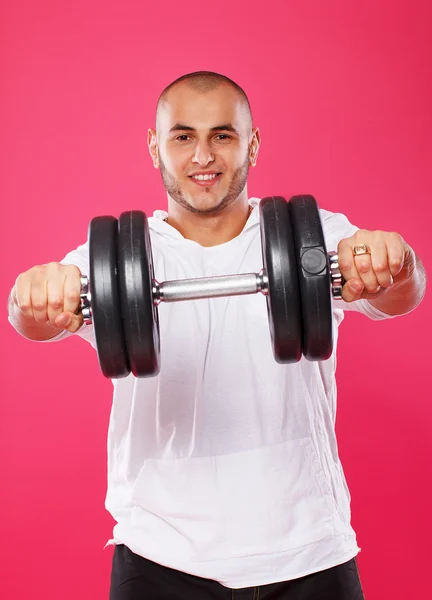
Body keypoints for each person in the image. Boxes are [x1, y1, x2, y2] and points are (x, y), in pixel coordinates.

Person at [8, 71, 426, 599]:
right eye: (183, 136)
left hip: (308, 550)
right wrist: (35, 294)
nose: (202, 156)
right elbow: (28, 319)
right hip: (160, 556)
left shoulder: (311, 236)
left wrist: (398, 261)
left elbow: (402, 293)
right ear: (154, 146)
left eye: (222, 135)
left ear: (251, 143)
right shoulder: (114, 258)